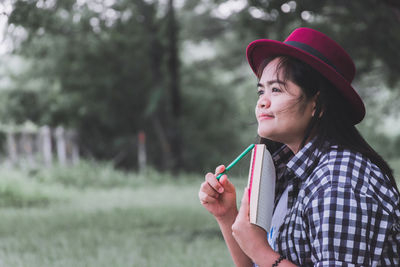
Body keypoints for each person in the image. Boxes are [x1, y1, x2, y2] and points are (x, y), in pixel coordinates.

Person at [198, 27, 400, 267]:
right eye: (261, 90)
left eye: (276, 89)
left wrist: (260, 248)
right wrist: (227, 216)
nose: (262, 101)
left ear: (317, 104)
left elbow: (263, 257)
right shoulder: (289, 170)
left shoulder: (338, 182)